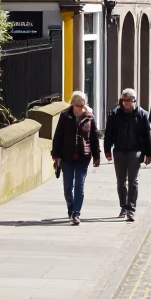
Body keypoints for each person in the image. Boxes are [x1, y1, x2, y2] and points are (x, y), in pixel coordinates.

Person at [51, 90, 100, 225]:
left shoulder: (89, 116)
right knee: (68, 186)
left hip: (83, 157)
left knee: (80, 185)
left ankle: (77, 212)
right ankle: (70, 207)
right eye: (78, 105)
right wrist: (56, 155)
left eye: (82, 105)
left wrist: (97, 156)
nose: (80, 108)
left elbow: (94, 137)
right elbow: (58, 137)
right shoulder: (65, 116)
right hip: (66, 157)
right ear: (73, 104)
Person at [104, 88, 151, 222]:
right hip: (119, 151)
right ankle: (123, 206)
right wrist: (107, 150)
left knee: (133, 180)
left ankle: (131, 209)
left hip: (135, 152)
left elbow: (147, 136)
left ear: (134, 101)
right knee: (121, 182)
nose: (126, 103)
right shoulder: (114, 114)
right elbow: (109, 133)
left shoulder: (142, 115)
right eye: (124, 100)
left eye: (129, 100)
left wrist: (149, 153)